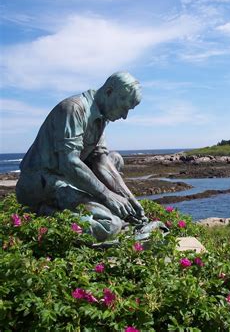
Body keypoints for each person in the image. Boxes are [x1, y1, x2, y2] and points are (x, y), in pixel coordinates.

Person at [16, 72, 149, 241]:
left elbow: (100, 162)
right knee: (110, 225)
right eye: (124, 107)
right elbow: (69, 163)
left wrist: (129, 199)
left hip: (68, 179)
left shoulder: (101, 117)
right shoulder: (73, 108)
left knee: (115, 159)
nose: (124, 116)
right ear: (109, 92)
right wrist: (107, 195)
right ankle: (42, 211)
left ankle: (90, 209)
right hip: (43, 183)